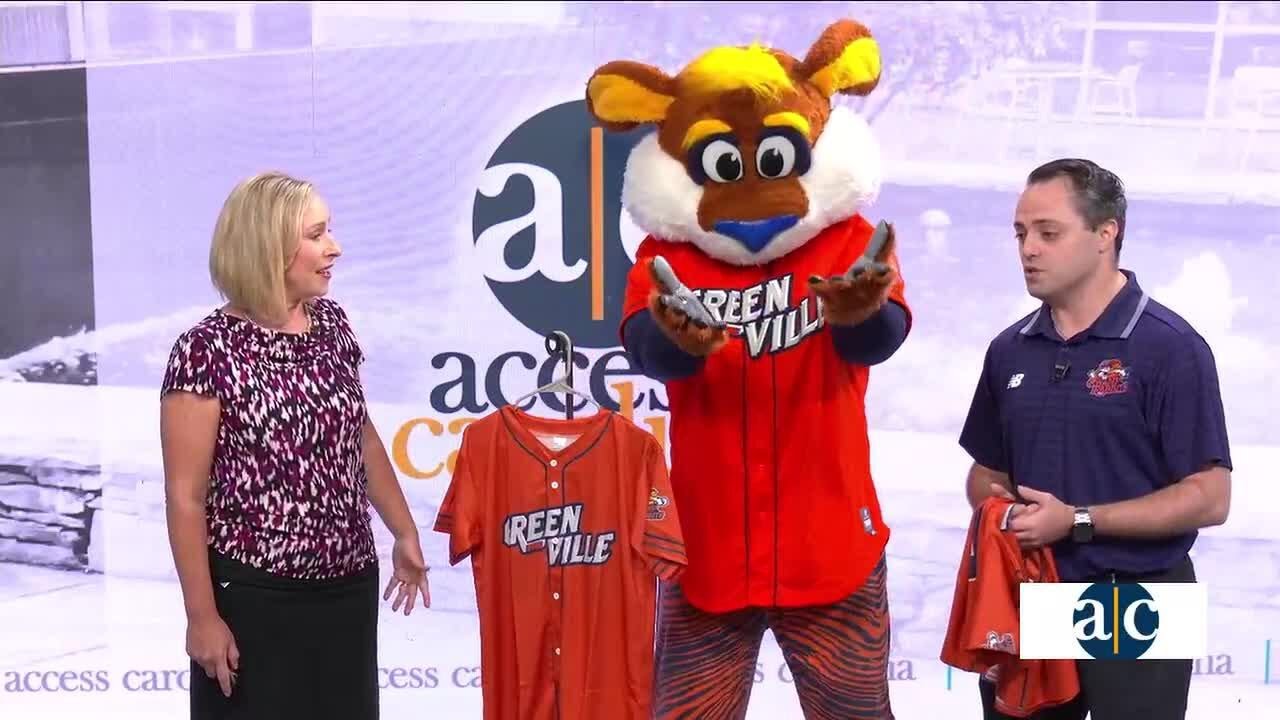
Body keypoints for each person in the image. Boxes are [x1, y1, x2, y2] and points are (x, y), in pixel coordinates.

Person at [958, 158, 1233, 720]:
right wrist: (1003, 512)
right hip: (1031, 589)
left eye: (1048, 233)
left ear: (1106, 234)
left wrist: (1077, 520)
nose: (1028, 249)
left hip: (1141, 598)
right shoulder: (1008, 349)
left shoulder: (1172, 348)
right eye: (1020, 233)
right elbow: (985, 475)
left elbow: (1211, 498)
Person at [159, 171, 431, 720]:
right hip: (254, 597)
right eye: (316, 234)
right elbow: (185, 497)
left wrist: (404, 530)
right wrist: (201, 617)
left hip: (347, 590)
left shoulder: (331, 324)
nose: (335, 247)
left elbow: (360, 435)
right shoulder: (205, 351)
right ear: (268, 247)